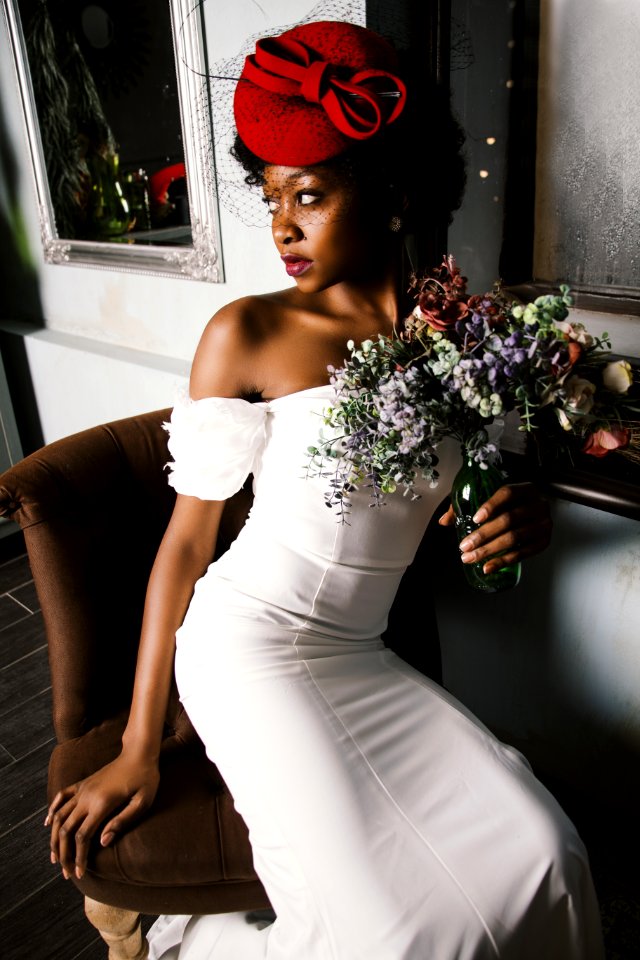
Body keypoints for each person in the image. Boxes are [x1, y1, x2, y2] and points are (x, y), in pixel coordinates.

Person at [45, 20, 605, 960]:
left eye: (309, 195)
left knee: (545, 855)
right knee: (397, 935)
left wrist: (520, 520)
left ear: (391, 195)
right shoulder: (249, 332)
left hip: (362, 653)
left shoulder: (461, 337)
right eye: (271, 198)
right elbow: (186, 547)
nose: (282, 228)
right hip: (245, 652)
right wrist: (141, 744)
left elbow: (459, 509)